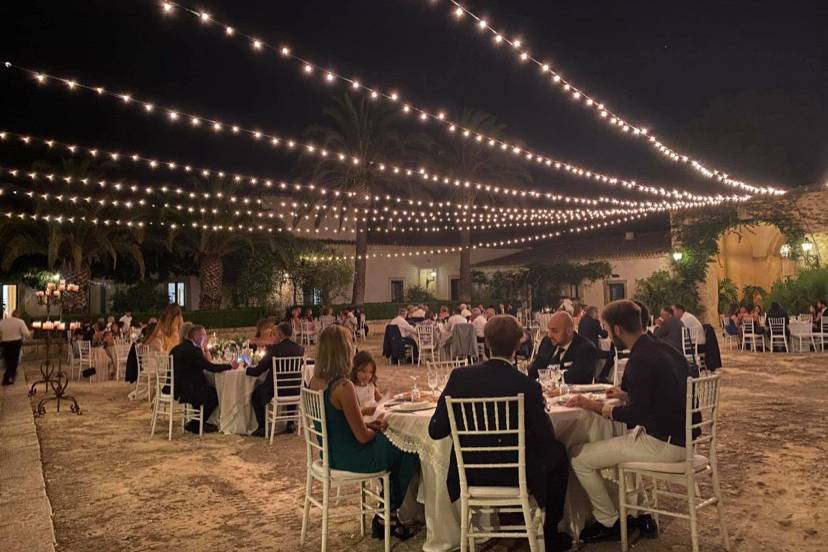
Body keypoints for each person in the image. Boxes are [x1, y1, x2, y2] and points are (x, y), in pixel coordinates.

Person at [429, 315, 572, 552]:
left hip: (471, 473)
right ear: (518, 345)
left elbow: (435, 430)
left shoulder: (460, 378)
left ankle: (510, 523)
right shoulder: (526, 385)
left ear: (486, 344)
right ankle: (550, 533)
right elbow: (546, 439)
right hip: (517, 474)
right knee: (558, 453)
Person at [566, 300, 693, 543]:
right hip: (682, 437)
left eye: (606, 327)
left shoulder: (640, 358)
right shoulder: (664, 349)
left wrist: (596, 407)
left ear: (617, 329)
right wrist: (626, 395)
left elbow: (637, 415)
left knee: (578, 457)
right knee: (615, 447)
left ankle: (608, 520)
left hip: (662, 443)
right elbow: (664, 391)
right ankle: (637, 512)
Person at [308, 325, 419, 540]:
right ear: (344, 351)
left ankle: (388, 513)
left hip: (331, 453)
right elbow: (362, 437)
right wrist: (377, 430)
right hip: (354, 457)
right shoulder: (343, 386)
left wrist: (370, 426)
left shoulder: (315, 382)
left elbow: (342, 423)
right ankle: (388, 512)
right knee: (408, 445)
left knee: (397, 444)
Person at [170, 324, 235, 433]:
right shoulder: (194, 350)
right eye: (204, 335)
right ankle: (196, 425)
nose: (206, 338)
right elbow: (211, 367)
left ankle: (198, 422)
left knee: (206, 391)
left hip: (176, 386)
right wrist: (230, 366)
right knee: (215, 395)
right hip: (188, 389)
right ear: (197, 336)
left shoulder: (176, 348)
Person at [247, 322, 305, 437]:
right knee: (290, 386)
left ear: (280, 334)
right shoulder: (300, 349)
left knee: (255, 395)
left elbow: (259, 370)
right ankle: (290, 423)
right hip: (295, 389)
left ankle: (263, 427)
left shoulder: (274, 350)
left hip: (276, 390)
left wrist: (247, 369)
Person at [529, 311, 597, 384]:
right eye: (549, 330)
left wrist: (546, 375)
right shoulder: (547, 343)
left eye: (554, 331)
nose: (550, 335)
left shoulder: (586, 348)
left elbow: (575, 377)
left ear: (569, 331)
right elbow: (534, 371)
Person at [0, 310, 31, 385]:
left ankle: (8, 377)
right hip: (15, 343)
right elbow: (27, 333)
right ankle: (8, 377)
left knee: (8, 360)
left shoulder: (3, 322)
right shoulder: (20, 322)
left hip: (5, 343)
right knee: (14, 361)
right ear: (18, 315)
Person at [351, 350, 383, 416]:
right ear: (355, 369)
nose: (367, 375)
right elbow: (352, 412)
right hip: (363, 419)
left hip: (375, 415)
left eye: (370, 372)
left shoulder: (370, 385)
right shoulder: (352, 388)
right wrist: (364, 412)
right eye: (363, 371)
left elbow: (381, 399)